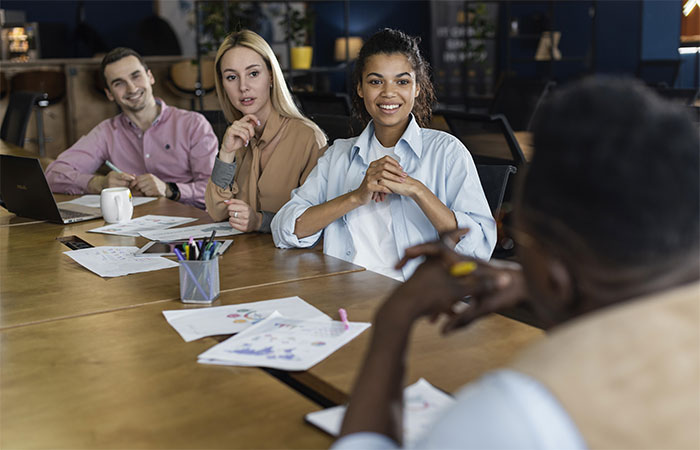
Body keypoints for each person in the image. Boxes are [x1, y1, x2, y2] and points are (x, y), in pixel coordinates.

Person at [334, 77, 700, 449]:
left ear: (556, 276)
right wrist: (531, 283)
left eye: (519, 240)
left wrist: (393, 322)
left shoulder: (515, 414)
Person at [272, 29, 495, 281]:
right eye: (376, 81)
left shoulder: (447, 151)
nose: (389, 93)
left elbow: (479, 249)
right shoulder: (338, 155)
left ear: (417, 88)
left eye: (402, 81)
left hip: (416, 300)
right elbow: (286, 230)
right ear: (359, 88)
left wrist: (417, 191)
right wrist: (356, 197)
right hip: (343, 297)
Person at [45, 47, 218, 209]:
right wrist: (99, 183)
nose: (132, 88)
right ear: (109, 94)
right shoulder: (106, 132)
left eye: (136, 76)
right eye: (119, 83)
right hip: (132, 227)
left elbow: (216, 192)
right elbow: (53, 175)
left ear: (150, 77)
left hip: (189, 231)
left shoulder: (193, 124)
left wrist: (170, 190)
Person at [205, 30, 327, 233]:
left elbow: (315, 220)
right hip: (246, 256)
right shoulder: (236, 136)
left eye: (253, 73)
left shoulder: (308, 138)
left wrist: (260, 221)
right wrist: (226, 154)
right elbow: (217, 212)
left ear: (271, 76)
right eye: (232, 77)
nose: (243, 87)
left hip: (292, 260)